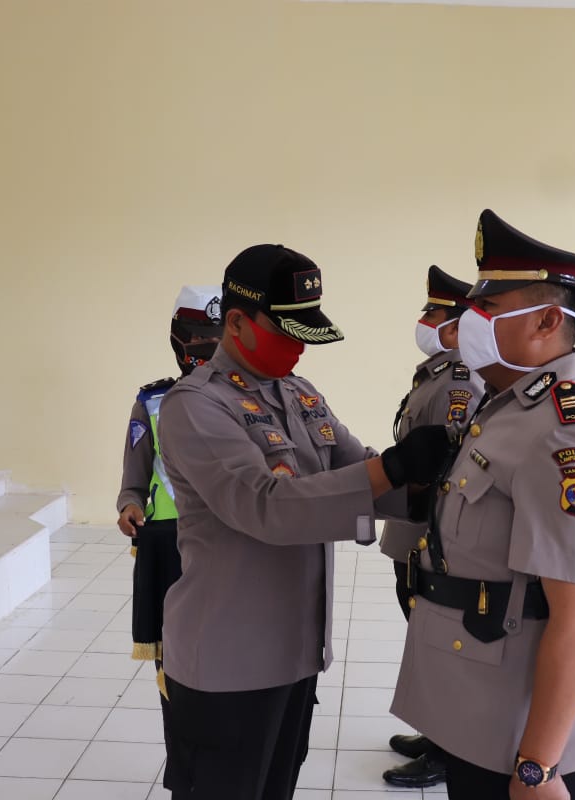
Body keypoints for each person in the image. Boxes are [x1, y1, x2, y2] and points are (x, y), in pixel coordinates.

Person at [154, 243, 453, 800]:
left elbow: (358, 469)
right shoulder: (195, 406)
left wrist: (433, 485)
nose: (299, 347)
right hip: (227, 661)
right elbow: (265, 506)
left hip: (294, 653)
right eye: (285, 332)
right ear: (236, 323)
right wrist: (392, 467)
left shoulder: (299, 393)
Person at [390, 209, 575, 799]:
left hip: (528, 731)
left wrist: (538, 766)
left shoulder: (565, 432)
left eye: (488, 307)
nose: (469, 320)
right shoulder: (504, 406)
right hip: (482, 706)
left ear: (548, 321)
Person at [381, 265, 485, 790]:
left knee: (442, 645)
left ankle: (449, 752)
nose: (424, 323)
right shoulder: (437, 374)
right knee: (424, 636)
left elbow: (446, 463)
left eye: (434, 314)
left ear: (458, 325)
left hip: (429, 532)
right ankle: (437, 733)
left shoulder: (460, 381)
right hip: (413, 528)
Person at [115, 285, 222, 713]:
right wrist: (129, 505)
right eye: (198, 337)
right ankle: (181, 726)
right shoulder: (153, 402)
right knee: (175, 646)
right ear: (177, 339)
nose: (208, 347)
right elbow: (136, 473)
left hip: (229, 541)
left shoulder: (252, 400)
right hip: (169, 543)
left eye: (218, 337)